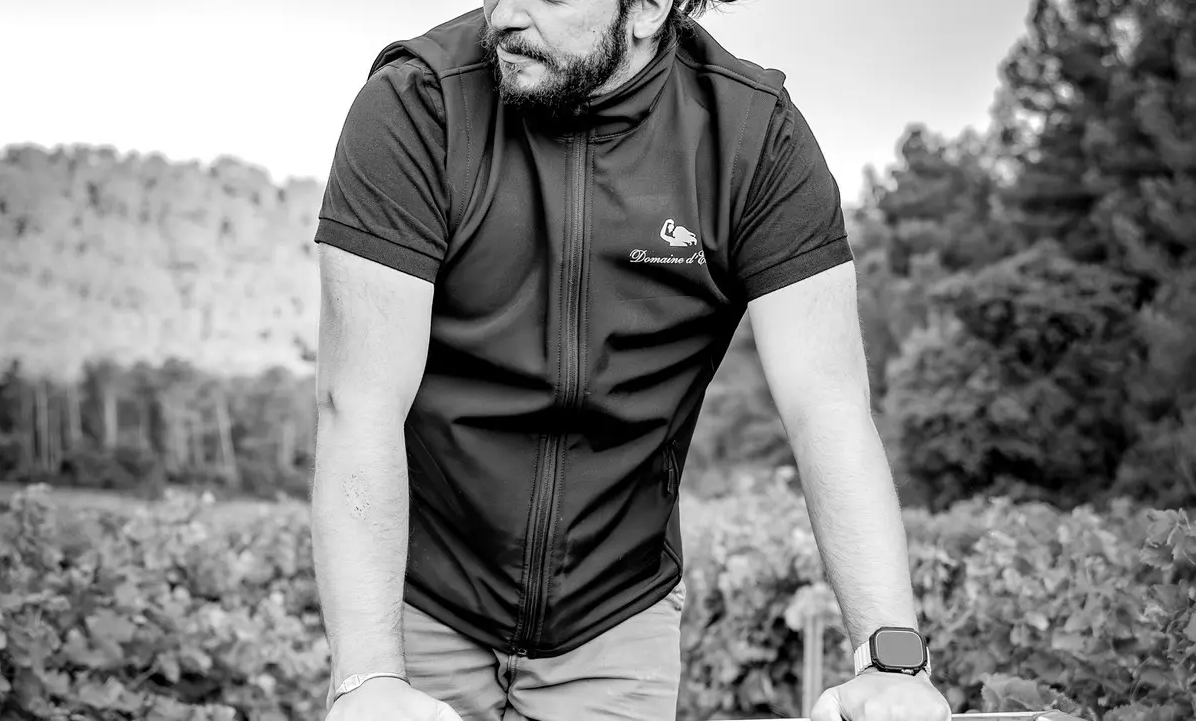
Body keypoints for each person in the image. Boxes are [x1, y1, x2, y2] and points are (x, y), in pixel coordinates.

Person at [310, 1, 953, 720]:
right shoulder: (417, 104)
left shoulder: (751, 136)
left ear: (648, 7)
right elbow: (358, 403)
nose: (505, 14)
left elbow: (828, 408)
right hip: (416, 601)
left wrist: (892, 659)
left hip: (616, 612)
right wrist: (368, 679)